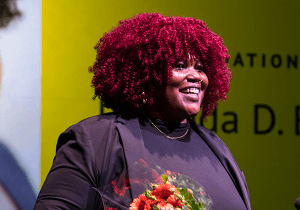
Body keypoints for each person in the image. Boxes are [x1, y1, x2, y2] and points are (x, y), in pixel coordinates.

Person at [34, 13, 251, 210]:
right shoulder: (95, 139)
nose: (195, 76)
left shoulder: (217, 150)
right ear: (147, 74)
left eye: (201, 67)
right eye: (180, 65)